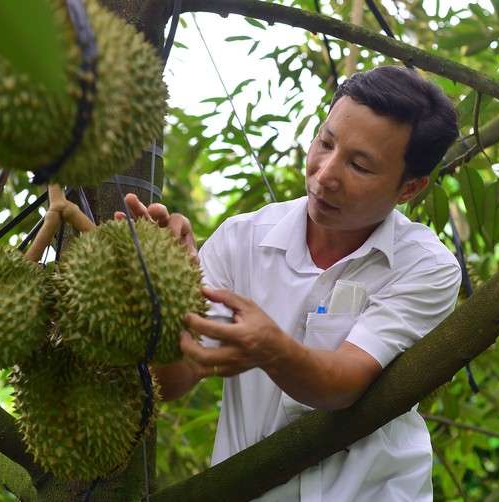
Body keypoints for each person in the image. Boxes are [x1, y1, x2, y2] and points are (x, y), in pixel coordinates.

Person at [118, 65, 461, 500]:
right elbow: (171, 381)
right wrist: (168, 293)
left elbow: (345, 382)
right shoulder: (242, 239)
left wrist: (273, 349)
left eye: (359, 165)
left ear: (410, 189)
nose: (325, 174)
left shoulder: (425, 266)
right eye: (325, 142)